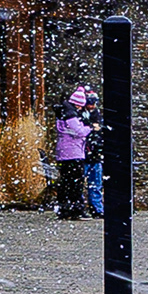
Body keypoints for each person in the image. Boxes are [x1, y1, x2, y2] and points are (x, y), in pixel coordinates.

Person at [53, 87, 97, 218]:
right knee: (75, 183)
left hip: (64, 153)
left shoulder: (63, 112)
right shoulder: (70, 115)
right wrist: (90, 127)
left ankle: (65, 209)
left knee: (66, 182)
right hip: (73, 152)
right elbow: (80, 131)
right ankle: (76, 210)